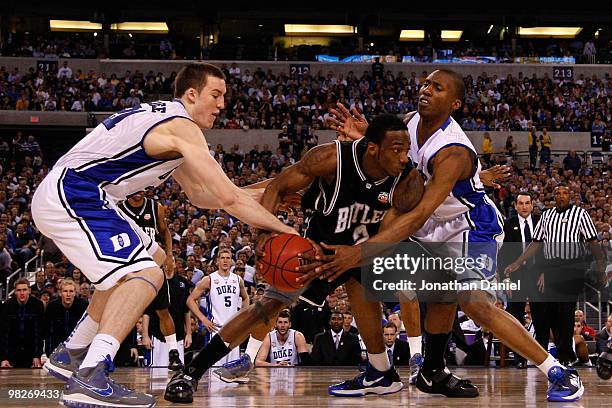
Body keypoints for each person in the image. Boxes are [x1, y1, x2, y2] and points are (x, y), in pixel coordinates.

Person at [308, 69, 588, 402]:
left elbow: (419, 213)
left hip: (467, 228)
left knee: (472, 302)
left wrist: (360, 251)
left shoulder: (453, 151)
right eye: (426, 83)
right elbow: (400, 159)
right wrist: (368, 135)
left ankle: (558, 372)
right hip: (429, 222)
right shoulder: (411, 121)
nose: (426, 89)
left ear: (453, 103)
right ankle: (393, 371)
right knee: (364, 276)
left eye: (437, 88)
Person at [31, 62, 295, 408]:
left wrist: (267, 190)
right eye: (215, 95)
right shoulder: (182, 127)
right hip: (76, 192)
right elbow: (228, 198)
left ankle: (72, 353)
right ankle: (93, 373)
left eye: (225, 97)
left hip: (90, 195)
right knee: (145, 273)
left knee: (154, 258)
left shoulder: (170, 124)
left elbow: (204, 196)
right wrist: (285, 229)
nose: (222, 104)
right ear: (191, 94)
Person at [165, 113, 423, 402]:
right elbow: (278, 186)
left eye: (407, 149)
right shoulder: (331, 158)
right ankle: (191, 372)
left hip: (367, 249)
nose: (403, 158)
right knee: (265, 306)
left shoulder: (407, 178)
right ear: (373, 148)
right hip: (317, 251)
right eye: (396, 150)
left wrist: (359, 255)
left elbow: (397, 231)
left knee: (379, 296)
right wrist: (263, 231)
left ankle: (384, 372)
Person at [506, 185, 606, 367]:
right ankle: (552, 356)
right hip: (550, 266)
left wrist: (600, 266)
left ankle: (566, 355)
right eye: (558, 193)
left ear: (571, 196)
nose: (561, 196)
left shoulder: (580, 214)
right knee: (549, 313)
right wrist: (518, 262)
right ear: (553, 196)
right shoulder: (546, 216)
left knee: (565, 313)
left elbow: (592, 242)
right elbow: (536, 243)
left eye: (565, 193)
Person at [116, 190, 183, 369]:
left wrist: (169, 255)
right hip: (130, 266)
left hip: (153, 267)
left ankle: (173, 353)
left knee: (163, 310)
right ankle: (111, 351)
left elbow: (165, 231)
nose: (138, 191)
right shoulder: (119, 208)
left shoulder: (156, 208)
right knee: (123, 312)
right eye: (135, 188)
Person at [498, 191, 541, 368]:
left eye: (527, 203)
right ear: (515, 205)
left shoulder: (541, 223)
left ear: (532, 205)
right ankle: (519, 357)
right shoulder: (507, 225)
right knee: (515, 316)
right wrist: (506, 279)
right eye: (521, 203)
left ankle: (542, 355)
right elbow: (502, 254)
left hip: (538, 276)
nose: (524, 207)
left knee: (541, 315)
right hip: (515, 276)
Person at [186, 247, 249, 367]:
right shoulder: (209, 279)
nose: (225, 261)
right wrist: (203, 320)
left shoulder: (238, 280)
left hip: (233, 329)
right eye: (222, 258)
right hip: (216, 330)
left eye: (228, 258)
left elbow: (246, 298)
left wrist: (243, 316)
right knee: (215, 369)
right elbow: (190, 300)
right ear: (217, 261)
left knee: (230, 371)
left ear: (231, 261)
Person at [0, 278, 44, 368]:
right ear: (15, 292)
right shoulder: (7, 306)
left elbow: (38, 333)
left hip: (31, 353)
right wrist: (3, 358)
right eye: (19, 290)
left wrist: (36, 355)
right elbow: (4, 334)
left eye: (24, 290)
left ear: (29, 291)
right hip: (11, 354)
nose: (22, 293)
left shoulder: (38, 305)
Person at [44, 278, 88, 356]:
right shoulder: (52, 307)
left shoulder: (83, 305)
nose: (68, 294)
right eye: (65, 291)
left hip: (77, 350)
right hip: (57, 349)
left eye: (71, 291)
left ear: (75, 293)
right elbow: (48, 333)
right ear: (60, 293)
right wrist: (49, 354)